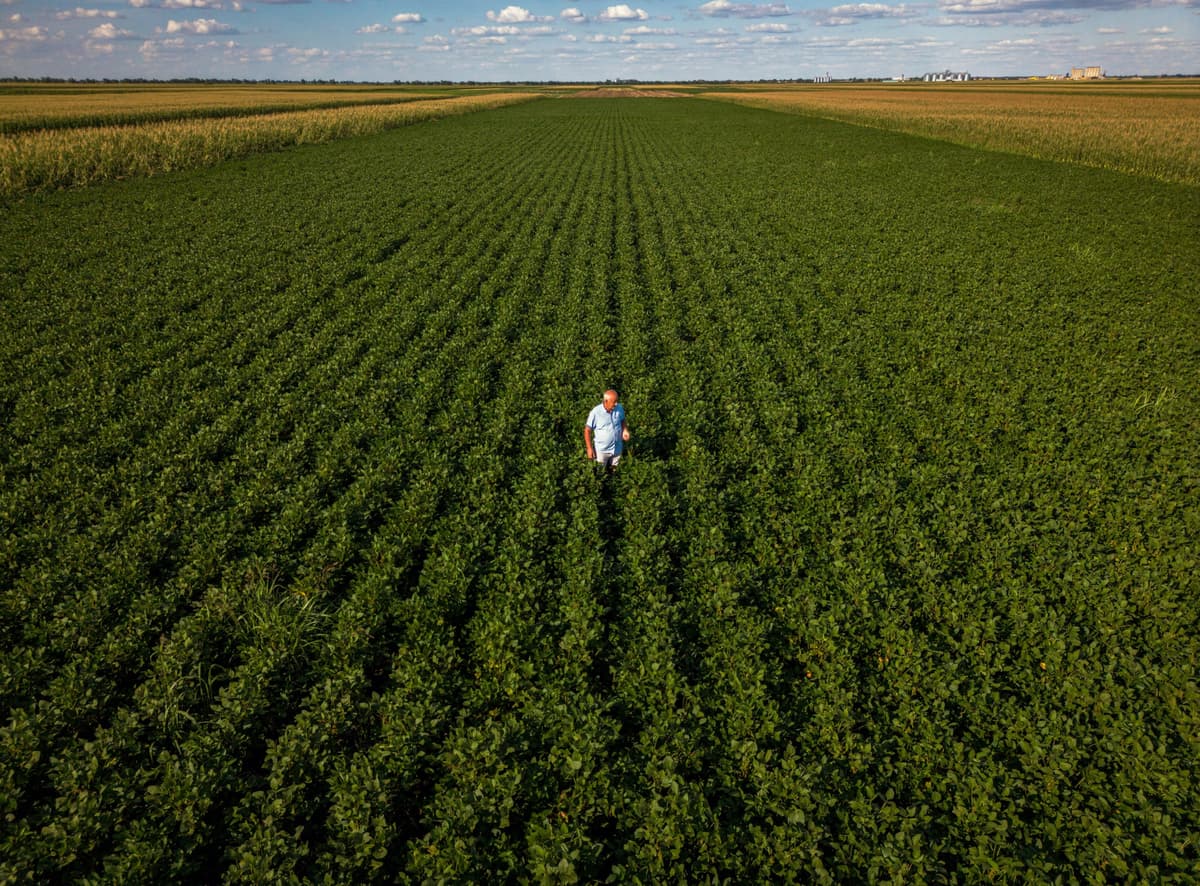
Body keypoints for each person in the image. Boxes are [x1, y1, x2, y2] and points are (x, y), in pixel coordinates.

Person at [584, 389, 630, 471]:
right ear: (606, 401)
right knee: (600, 472)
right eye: (614, 402)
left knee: (615, 470)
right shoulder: (596, 413)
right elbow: (587, 430)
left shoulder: (619, 408)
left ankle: (614, 481)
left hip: (617, 448)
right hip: (602, 450)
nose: (616, 404)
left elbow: (622, 420)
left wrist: (625, 430)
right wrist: (589, 448)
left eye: (617, 401)